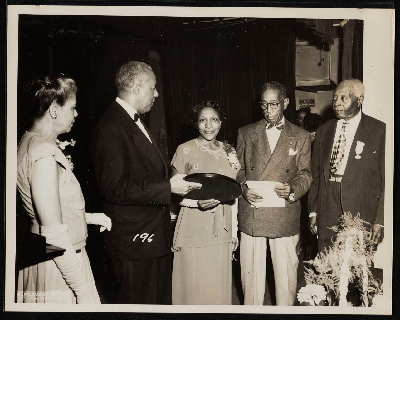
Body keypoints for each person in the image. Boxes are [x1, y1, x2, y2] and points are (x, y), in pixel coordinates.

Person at [91, 61, 200, 305]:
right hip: (134, 243)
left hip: (151, 236)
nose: (157, 93)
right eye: (153, 87)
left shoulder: (130, 120)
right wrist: (168, 187)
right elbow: (113, 187)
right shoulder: (111, 125)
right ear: (137, 88)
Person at [16, 74, 111, 304]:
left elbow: (47, 209)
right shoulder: (44, 153)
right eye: (73, 108)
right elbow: (55, 233)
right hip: (60, 264)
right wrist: (85, 292)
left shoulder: (29, 140)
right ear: (54, 111)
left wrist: (87, 217)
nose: (76, 114)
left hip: (52, 256)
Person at [236, 81, 312, 306]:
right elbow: (237, 169)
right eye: (264, 105)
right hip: (253, 213)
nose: (268, 110)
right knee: (250, 281)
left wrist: (293, 189)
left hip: (284, 212)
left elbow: (306, 173)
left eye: (274, 104)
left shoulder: (301, 135)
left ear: (286, 103)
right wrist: (243, 188)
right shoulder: (246, 133)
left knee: (286, 280)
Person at [171, 101, 240, 305]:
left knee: (216, 286)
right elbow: (174, 191)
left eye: (214, 120)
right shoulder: (185, 149)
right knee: (193, 285)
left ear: (221, 123)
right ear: (196, 123)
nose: (208, 126)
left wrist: (234, 232)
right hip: (193, 225)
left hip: (221, 229)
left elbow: (233, 193)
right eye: (203, 120)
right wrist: (197, 204)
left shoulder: (230, 151)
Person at [308, 79, 385, 252]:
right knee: (327, 262)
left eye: (344, 98)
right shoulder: (324, 131)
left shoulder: (379, 130)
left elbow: (385, 180)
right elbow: (316, 177)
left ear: (359, 100)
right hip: (328, 202)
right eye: (335, 98)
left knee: (356, 265)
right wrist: (313, 211)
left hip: (361, 206)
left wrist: (380, 220)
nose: (337, 103)